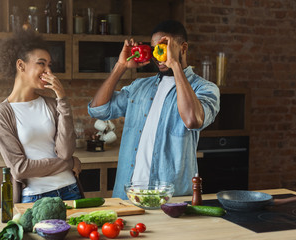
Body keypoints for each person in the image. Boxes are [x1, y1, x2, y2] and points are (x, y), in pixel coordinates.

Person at [88, 20, 220, 199]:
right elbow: (98, 110)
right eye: (154, 49)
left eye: (163, 47)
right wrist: (121, 66)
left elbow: (193, 120)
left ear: (183, 48)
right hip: (127, 196)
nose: (158, 56)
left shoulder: (204, 89)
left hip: (169, 199)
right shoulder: (140, 86)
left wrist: (175, 65)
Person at [0, 30, 82, 203]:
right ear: (21, 65)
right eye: (41, 63)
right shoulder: (2, 113)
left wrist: (62, 98)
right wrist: (69, 164)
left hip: (70, 190)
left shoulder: (53, 104)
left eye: (50, 65)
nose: (48, 71)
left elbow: (66, 151)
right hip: (35, 197)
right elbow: (20, 169)